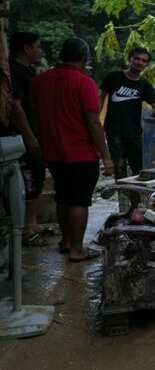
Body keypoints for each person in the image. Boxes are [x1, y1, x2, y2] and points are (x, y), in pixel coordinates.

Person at [30, 38, 114, 262]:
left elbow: (36, 117)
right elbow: (93, 123)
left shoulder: (40, 81)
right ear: (84, 57)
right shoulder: (83, 82)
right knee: (79, 200)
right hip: (80, 152)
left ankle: (66, 241)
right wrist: (106, 156)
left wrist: (42, 144)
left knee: (63, 196)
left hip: (53, 153)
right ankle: (78, 249)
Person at [3, 32, 48, 246]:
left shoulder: (26, 71)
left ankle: (31, 222)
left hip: (30, 133)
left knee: (36, 176)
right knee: (27, 179)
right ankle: (24, 229)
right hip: (19, 137)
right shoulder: (14, 72)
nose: (40, 50)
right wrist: (29, 137)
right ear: (26, 48)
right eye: (38, 46)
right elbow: (15, 106)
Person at [99, 46, 155, 179]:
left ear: (146, 65)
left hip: (134, 132)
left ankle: (136, 197)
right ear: (129, 59)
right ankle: (123, 197)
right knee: (119, 167)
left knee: (138, 168)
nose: (140, 62)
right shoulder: (113, 77)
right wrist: (96, 119)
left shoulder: (145, 86)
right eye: (137, 58)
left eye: (144, 61)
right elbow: (101, 98)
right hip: (113, 131)